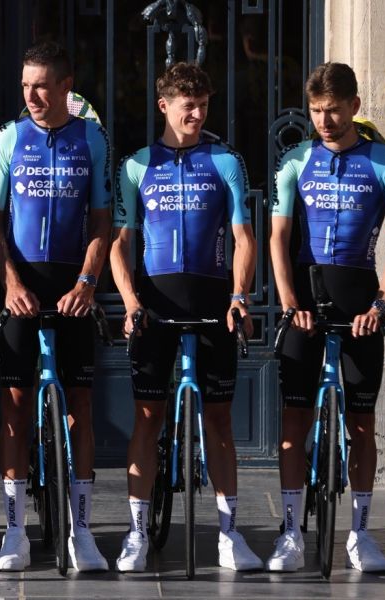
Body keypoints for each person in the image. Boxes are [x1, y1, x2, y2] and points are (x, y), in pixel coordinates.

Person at [109, 61, 260, 573]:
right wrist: (131, 302)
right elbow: (120, 242)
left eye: (203, 105)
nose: (196, 114)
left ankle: (229, 534)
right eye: (187, 105)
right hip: (155, 305)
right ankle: (135, 533)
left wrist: (239, 296)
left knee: (219, 420)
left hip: (213, 303)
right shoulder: (136, 165)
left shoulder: (225, 161)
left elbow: (244, 238)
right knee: (147, 418)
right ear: (164, 106)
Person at [264, 62, 385, 573]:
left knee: (362, 424)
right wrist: (289, 303)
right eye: (316, 111)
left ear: (354, 106)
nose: (324, 121)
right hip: (304, 299)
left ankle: (361, 534)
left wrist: (380, 307)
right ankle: (290, 533)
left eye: (333, 110)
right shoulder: (295, 160)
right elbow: (278, 237)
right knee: (294, 419)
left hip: (360, 301)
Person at [0, 41, 112, 572]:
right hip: (22, 284)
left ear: (66, 86)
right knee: (15, 408)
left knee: (80, 406)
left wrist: (87, 283)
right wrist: (10, 283)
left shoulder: (92, 138)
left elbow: (103, 220)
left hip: (71, 285)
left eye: (41, 86)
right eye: (25, 86)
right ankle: (14, 531)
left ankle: (81, 530)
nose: (31, 96)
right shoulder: (9, 138)